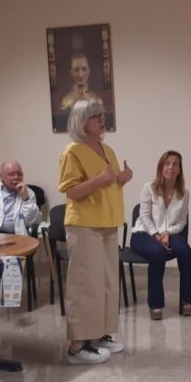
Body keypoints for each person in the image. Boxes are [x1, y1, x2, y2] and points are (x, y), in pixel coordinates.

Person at [58, 99, 132, 365]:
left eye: (102, 115)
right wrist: (101, 179)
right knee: (85, 285)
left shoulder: (107, 149)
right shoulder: (73, 151)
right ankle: (77, 346)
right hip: (84, 224)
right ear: (81, 122)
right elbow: (72, 191)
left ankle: (100, 334)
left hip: (108, 222)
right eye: (94, 116)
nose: (101, 120)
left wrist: (121, 179)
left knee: (107, 283)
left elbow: (108, 185)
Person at [131, 150, 191, 320]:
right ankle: (155, 304)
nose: (171, 167)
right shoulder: (149, 188)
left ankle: (188, 299)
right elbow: (144, 216)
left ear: (179, 169)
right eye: (167, 163)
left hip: (169, 233)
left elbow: (182, 222)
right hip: (144, 233)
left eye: (175, 164)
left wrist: (167, 232)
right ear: (161, 167)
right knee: (157, 252)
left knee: (185, 250)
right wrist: (156, 235)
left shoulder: (184, 193)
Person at [53, 54, 112, 133]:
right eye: (76, 70)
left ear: (89, 71)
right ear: (71, 72)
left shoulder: (97, 99)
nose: (80, 74)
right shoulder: (65, 101)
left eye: (84, 69)